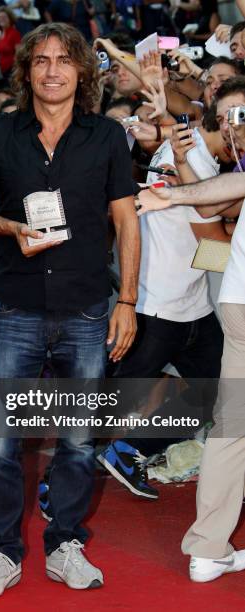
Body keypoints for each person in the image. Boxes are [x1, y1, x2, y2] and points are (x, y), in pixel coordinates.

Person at [0, 22, 140, 598]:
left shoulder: (107, 136)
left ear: (81, 71)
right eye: (41, 60)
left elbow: (126, 221)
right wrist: (7, 225)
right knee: (3, 444)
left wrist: (128, 300)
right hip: (14, 306)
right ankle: (1, 552)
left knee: (79, 441)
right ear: (26, 70)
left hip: (88, 307)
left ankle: (65, 544)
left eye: (64, 59)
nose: (53, 69)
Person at [136, 88, 245, 585]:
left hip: (217, 303)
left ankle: (207, 549)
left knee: (229, 425)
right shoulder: (213, 161)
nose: (233, 126)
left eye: (238, 116)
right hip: (182, 303)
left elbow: (214, 215)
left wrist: (177, 188)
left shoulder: (222, 163)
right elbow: (212, 220)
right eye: (226, 118)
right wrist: (178, 182)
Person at [0, 6, 21, 82]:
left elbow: (18, 54)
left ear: (10, 19)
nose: (1, 19)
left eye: (4, 17)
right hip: (2, 70)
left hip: (11, 71)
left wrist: (15, 71)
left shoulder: (14, 33)